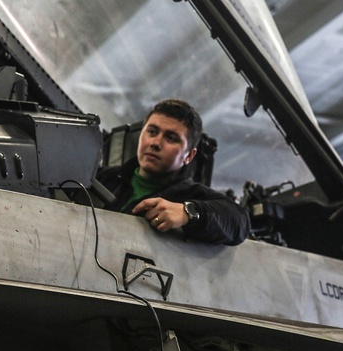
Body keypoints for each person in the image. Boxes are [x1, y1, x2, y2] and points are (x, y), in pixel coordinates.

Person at [95, 98, 249, 246]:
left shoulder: (189, 196)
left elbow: (239, 222)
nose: (155, 143)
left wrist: (187, 212)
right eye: (152, 132)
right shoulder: (101, 178)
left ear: (189, 156)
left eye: (171, 138)